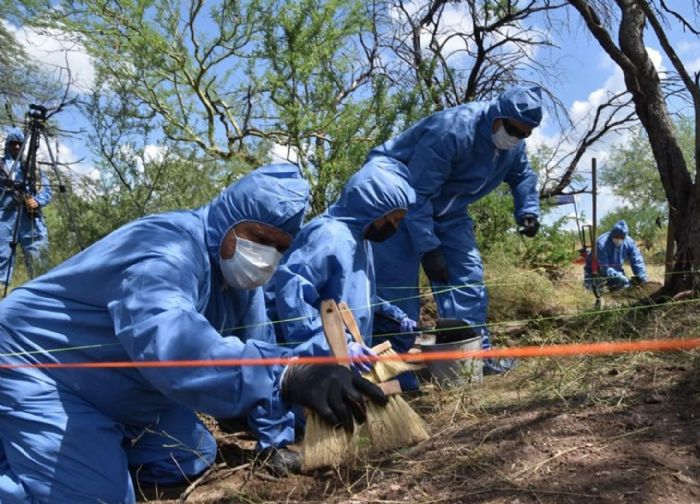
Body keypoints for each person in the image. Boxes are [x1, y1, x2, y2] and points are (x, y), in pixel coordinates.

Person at [0, 164, 387, 502]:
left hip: (121, 381)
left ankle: (81, 448)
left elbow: (261, 350)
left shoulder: (238, 284)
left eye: (279, 247)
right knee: (99, 497)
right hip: (37, 366)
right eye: (260, 237)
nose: (267, 255)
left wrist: (292, 419)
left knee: (190, 455)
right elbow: (171, 346)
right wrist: (288, 375)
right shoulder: (164, 250)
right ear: (229, 219)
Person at [367, 85, 543, 373]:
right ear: (496, 115)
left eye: (525, 134)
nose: (516, 138)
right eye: (512, 130)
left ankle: (472, 360)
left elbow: (522, 174)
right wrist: (429, 248)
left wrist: (528, 210)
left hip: (449, 212)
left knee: (468, 281)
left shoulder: (513, 146)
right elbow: (417, 194)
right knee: (396, 290)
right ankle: (391, 368)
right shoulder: (452, 130)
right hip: (397, 205)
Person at [271, 157, 417, 369]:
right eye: (393, 219)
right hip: (316, 359)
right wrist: (331, 345)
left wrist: (394, 315)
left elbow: (357, 294)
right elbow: (294, 295)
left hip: (343, 358)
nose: (394, 228)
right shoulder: (330, 235)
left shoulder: (361, 240)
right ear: (374, 207)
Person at [0, 129, 52, 286]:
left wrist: (37, 201)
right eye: (13, 143)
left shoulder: (33, 167)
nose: (16, 147)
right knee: (2, 259)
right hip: (5, 219)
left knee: (38, 261)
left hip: (30, 219)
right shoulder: (1, 165)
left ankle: (40, 292)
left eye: (19, 144)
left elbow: (47, 190)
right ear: (8, 145)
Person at [584, 220, 648, 291]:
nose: (619, 239)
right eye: (617, 237)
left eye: (622, 238)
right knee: (595, 292)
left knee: (622, 290)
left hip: (616, 270)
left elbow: (637, 260)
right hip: (596, 270)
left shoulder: (629, 242)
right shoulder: (601, 244)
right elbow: (604, 268)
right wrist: (619, 277)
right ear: (612, 234)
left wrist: (642, 277)